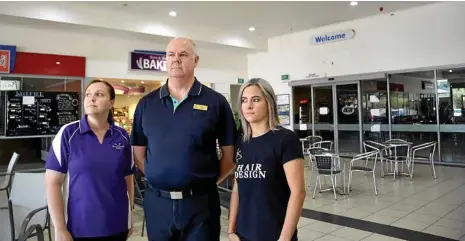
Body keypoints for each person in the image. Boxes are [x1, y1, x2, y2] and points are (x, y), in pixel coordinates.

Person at [130, 37, 236, 241]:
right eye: (171, 55)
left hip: (201, 205)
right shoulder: (146, 104)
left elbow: (229, 155)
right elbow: (138, 155)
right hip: (158, 204)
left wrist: (202, 182)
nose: (176, 59)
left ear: (196, 61)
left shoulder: (215, 102)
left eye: (183, 54)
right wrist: (159, 176)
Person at [45, 80, 135, 241]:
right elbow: (53, 183)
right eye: (88, 95)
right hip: (80, 227)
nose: (91, 99)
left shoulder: (122, 136)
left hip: (117, 224)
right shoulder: (68, 134)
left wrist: (130, 215)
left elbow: (128, 177)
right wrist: (59, 228)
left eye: (99, 94)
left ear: (111, 103)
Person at [228, 78, 306, 241]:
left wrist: (284, 238)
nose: (248, 106)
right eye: (244, 100)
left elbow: (298, 193)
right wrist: (231, 230)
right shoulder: (242, 142)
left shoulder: (285, 139)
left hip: (274, 234)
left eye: (255, 100)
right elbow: (237, 187)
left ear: (269, 102)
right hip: (244, 234)